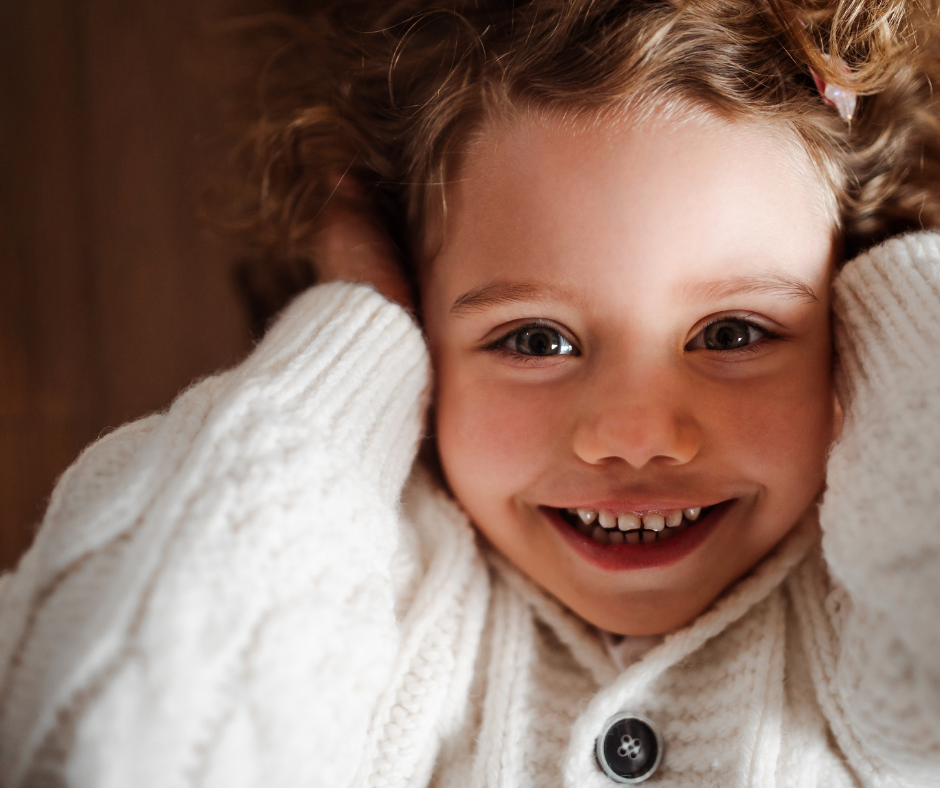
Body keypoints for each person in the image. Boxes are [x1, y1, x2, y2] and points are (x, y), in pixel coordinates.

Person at [1, 0, 939, 785]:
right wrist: (352, 339)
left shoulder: (873, 605)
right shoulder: (373, 604)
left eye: (735, 333)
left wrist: (900, 285)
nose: (636, 435)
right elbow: (97, 733)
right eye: (535, 339)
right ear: (415, 326)